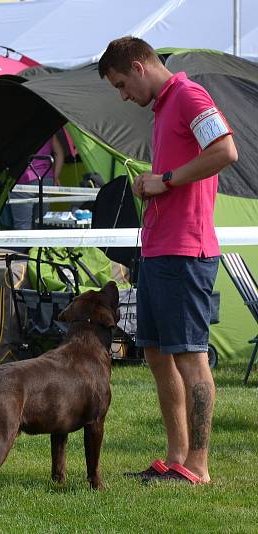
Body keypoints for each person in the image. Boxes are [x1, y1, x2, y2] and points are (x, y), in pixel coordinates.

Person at [99, 37, 238, 485]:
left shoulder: (190, 95)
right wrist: (153, 184)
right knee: (158, 354)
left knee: (191, 357)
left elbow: (225, 151)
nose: (123, 95)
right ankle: (177, 457)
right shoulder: (163, 107)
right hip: (159, 250)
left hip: (185, 250)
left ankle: (197, 466)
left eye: (122, 85)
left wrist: (166, 180)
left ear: (139, 68)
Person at [8, 133, 65, 230]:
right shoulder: (48, 128)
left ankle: (24, 245)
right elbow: (59, 153)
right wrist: (55, 176)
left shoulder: (17, 128)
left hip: (23, 181)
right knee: (41, 224)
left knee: (22, 226)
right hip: (46, 180)